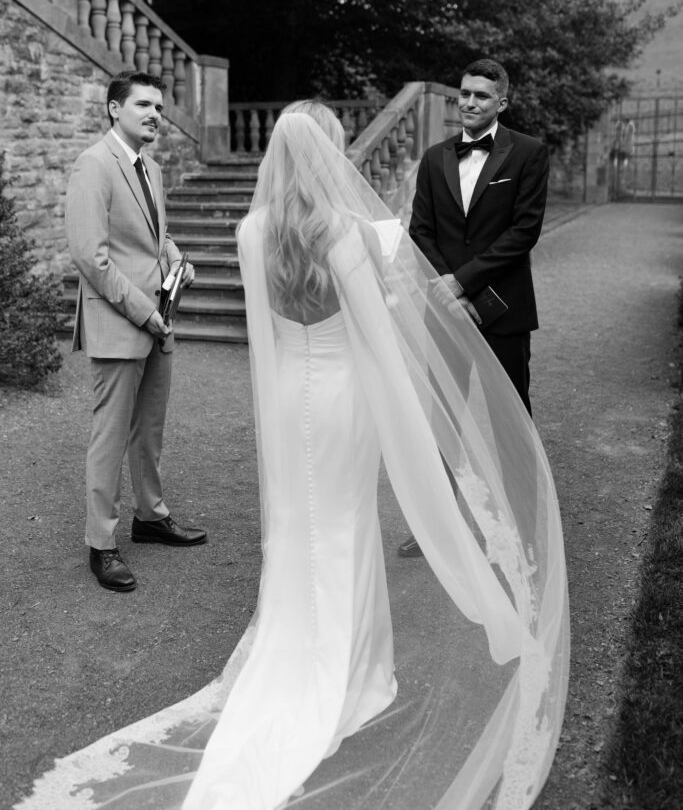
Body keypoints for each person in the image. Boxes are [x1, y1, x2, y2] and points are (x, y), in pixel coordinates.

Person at [19, 103, 568, 810]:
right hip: (344, 399)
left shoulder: (253, 232)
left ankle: (303, 649)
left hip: (287, 399)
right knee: (344, 526)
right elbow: (378, 338)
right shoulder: (349, 236)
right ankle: (354, 671)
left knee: (302, 527)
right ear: (328, 158)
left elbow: (265, 343)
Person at [398, 58, 549, 558]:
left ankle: (525, 527)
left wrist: (461, 281)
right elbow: (420, 229)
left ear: (501, 102)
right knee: (441, 418)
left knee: (510, 418)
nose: (469, 102)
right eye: (464, 93)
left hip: (502, 309)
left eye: (482, 96)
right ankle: (436, 525)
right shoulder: (435, 156)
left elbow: (523, 233)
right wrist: (445, 286)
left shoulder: (527, 153)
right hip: (443, 311)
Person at [65, 70, 206, 594]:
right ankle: (100, 544)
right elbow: (90, 256)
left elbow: (157, 236)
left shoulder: (151, 168)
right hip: (122, 320)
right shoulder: (93, 166)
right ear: (114, 109)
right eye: (144, 104)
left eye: (160, 108)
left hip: (157, 319)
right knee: (109, 436)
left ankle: (150, 516)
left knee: (149, 429)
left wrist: (177, 261)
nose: (155, 114)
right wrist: (145, 311)